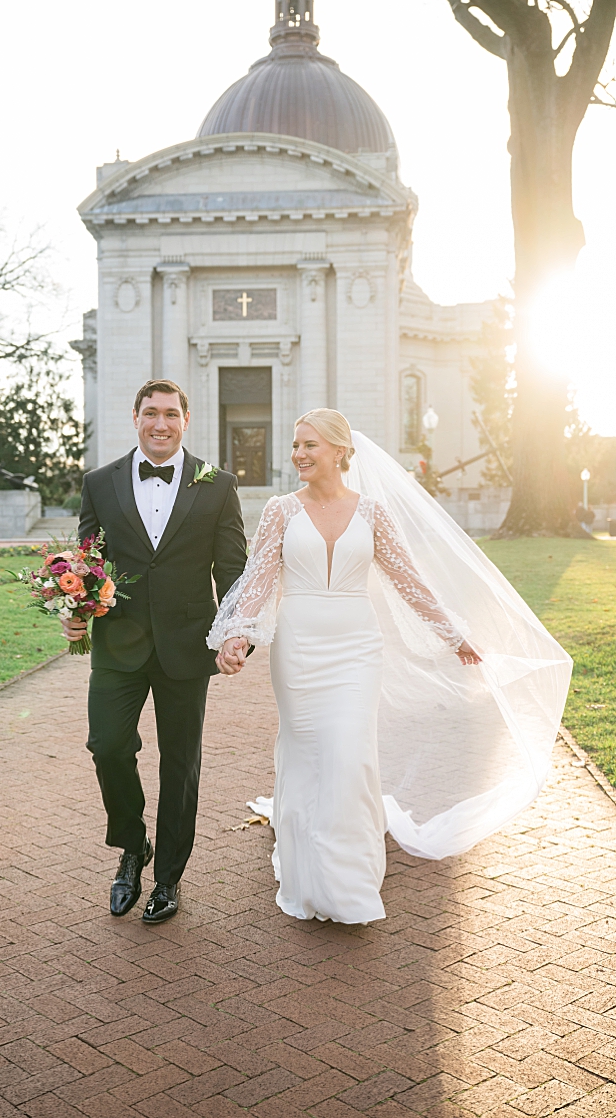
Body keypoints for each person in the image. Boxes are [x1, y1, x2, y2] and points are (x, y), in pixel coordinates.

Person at [209, 409, 569, 924]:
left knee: (350, 755)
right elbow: (260, 579)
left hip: (356, 647)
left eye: (310, 445)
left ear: (339, 451)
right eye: (295, 445)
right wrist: (238, 634)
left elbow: (410, 581)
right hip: (299, 646)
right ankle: (306, 871)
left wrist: (454, 634)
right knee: (308, 751)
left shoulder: (372, 512)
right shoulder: (280, 511)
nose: (298, 455)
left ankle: (348, 885)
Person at [61, 380, 249, 923]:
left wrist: (238, 634)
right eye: (150, 413)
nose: (160, 423)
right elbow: (86, 563)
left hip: (189, 647)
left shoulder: (218, 486)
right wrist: (74, 611)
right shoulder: (99, 482)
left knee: (180, 764)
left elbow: (233, 572)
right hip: (117, 643)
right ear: (135, 418)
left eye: (170, 414)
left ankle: (168, 877)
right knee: (108, 746)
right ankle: (132, 845)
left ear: (186, 420)